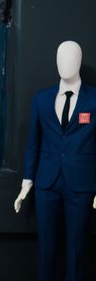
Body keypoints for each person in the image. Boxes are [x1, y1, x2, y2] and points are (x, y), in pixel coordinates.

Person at [14, 40, 96, 281]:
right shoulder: (41, 99)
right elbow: (33, 143)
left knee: (77, 247)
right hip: (46, 183)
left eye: (71, 58)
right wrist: (26, 182)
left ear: (79, 61)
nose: (65, 63)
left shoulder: (94, 100)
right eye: (61, 57)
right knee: (46, 248)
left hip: (81, 185)